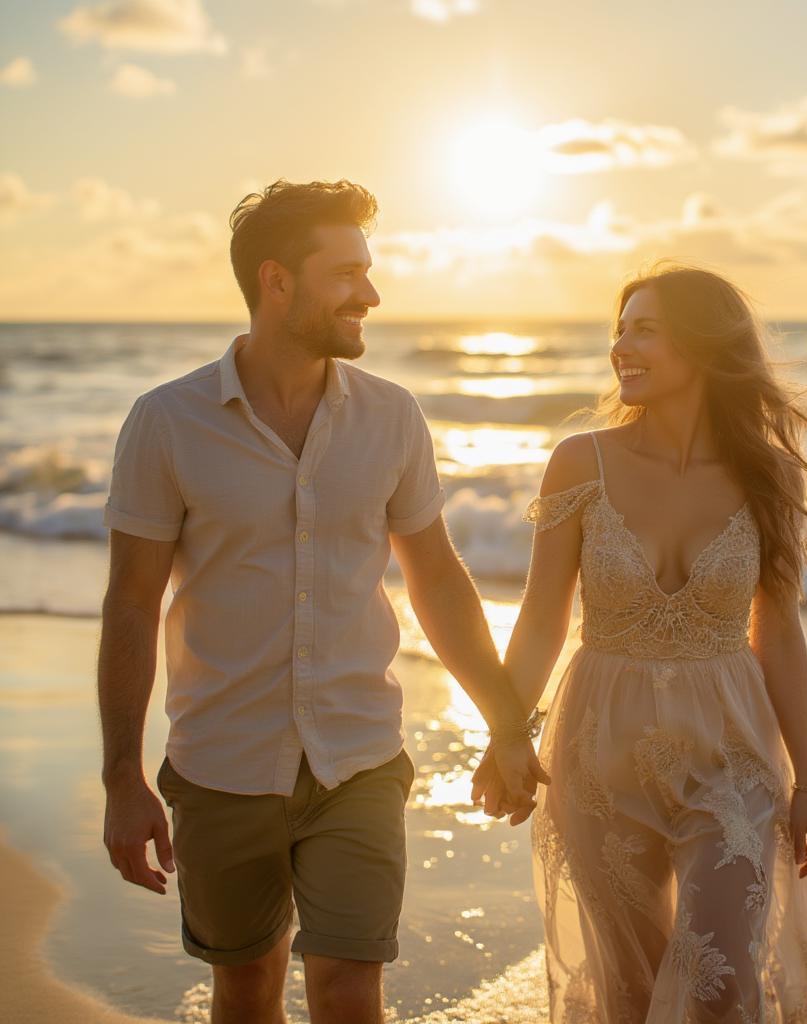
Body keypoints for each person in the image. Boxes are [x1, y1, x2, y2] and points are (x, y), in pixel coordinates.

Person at [97, 178, 547, 1024]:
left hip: (360, 761)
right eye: (346, 273)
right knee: (248, 984)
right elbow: (130, 606)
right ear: (277, 281)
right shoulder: (167, 422)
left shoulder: (393, 418)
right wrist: (124, 775)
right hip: (222, 764)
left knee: (348, 988)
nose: (370, 294)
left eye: (368, 272)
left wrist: (506, 721)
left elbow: (439, 580)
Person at [472, 264, 807, 1022]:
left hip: (732, 755)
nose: (622, 346)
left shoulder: (770, 477)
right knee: (630, 991)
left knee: (718, 986)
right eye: (620, 328)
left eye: (645, 329)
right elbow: (542, 616)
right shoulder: (581, 461)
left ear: (704, 347)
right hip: (597, 753)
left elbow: (778, 631)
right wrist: (505, 735)